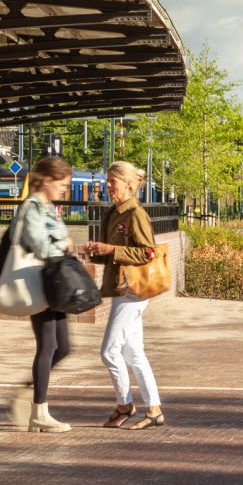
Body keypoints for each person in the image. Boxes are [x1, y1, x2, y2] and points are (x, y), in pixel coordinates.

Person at [82, 161, 167, 430]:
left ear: (129, 185)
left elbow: (147, 253)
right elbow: (114, 252)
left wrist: (110, 250)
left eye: (112, 181)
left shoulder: (135, 214)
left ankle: (124, 405)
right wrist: (97, 251)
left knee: (109, 352)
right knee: (134, 353)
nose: (107, 186)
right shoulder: (113, 213)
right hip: (121, 288)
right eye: (107, 180)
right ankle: (154, 409)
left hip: (133, 290)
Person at [9, 155, 81, 433]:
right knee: (49, 346)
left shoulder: (47, 206)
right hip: (39, 280)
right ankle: (39, 412)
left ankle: (30, 393)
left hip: (53, 282)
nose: (63, 190)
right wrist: (64, 241)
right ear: (48, 180)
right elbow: (38, 243)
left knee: (63, 348)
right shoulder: (32, 206)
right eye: (62, 185)